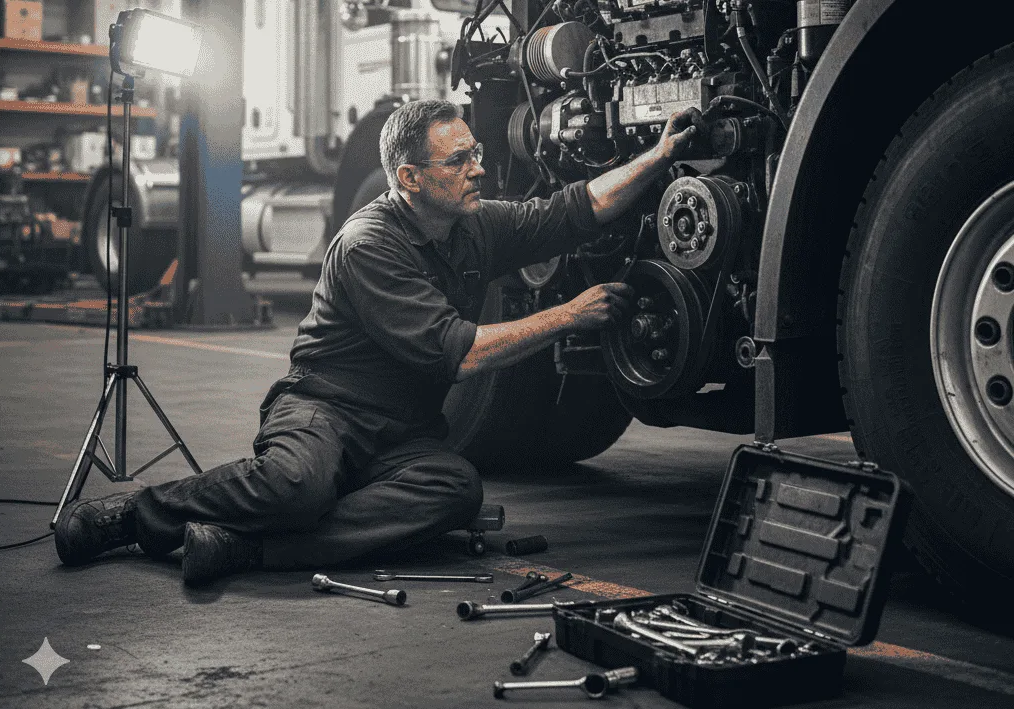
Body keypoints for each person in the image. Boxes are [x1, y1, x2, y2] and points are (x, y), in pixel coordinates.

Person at [54, 99, 702, 586]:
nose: (479, 169)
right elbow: (462, 351)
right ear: (410, 178)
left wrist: (661, 156)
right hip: (323, 409)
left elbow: (573, 209)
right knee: (296, 487)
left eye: (476, 153)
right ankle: (137, 515)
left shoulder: (474, 224)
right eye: (460, 161)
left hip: (399, 433)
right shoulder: (370, 244)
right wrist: (567, 316)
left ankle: (249, 548)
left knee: (454, 489)